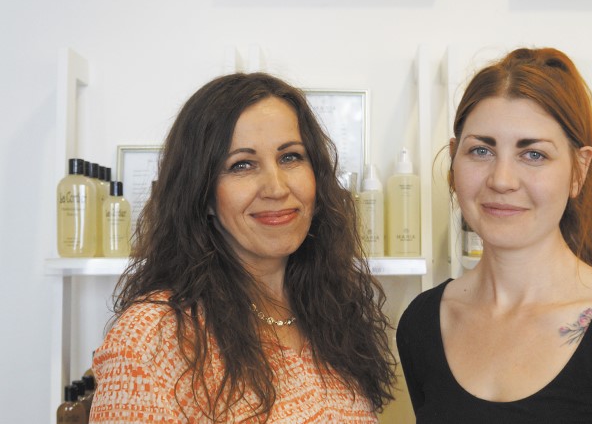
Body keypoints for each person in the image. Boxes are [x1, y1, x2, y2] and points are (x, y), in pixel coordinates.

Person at [396, 47, 592, 423]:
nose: (501, 180)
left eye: (534, 155)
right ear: (454, 159)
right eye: (481, 150)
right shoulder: (423, 323)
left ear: (579, 170)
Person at [90, 72, 396, 423]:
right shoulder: (151, 339)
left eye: (290, 157)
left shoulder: (332, 311)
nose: (276, 188)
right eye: (242, 165)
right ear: (202, 194)